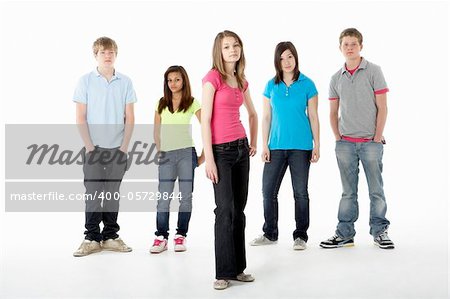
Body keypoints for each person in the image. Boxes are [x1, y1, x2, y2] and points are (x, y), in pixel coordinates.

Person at [320, 28, 394, 249]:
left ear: (361, 46)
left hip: (370, 143)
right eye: (346, 44)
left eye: (354, 44)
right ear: (340, 48)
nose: (350, 48)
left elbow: (383, 107)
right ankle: (345, 234)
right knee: (348, 192)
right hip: (345, 144)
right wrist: (338, 137)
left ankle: (380, 232)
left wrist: (377, 137)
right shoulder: (335, 78)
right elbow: (333, 112)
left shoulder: (374, 71)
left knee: (376, 190)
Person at [249, 41, 320, 250]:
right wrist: (265, 145)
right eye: (282, 58)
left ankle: (300, 236)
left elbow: (314, 116)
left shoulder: (308, 84)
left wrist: (317, 145)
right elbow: (266, 118)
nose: (286, 62)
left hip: (301, 146)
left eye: (290, 56)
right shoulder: (271, 85)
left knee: (300, 192)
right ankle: (270, 233)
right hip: (276, 146)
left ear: (295, 57)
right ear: (276, 61)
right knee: (268, 191)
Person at [201, 30, 258, 290]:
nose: (232, 50)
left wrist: (253, 143)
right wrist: (209, 160)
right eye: (227, 47)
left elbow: (253, 114)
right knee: (224, 210)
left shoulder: (241, 80)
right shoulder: (212, 79)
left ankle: (238, 269)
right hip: (220, 152)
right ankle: (222, 272)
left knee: (239, 211)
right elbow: (205, 121)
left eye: (236, 45)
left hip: (241, 149)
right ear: (219, 51)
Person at [73, 36, 136, 257]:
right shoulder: (85, 81)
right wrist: (90, 147)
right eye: (103, 52)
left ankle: (110, 236)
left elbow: (130, 117)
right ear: (96, 55)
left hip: (118, 149)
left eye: (111, 52)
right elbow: (81, 117)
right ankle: (91, 238)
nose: (107, 56)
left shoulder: (125, 82)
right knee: (93, 194)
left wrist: (124, 148)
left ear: (115, 55)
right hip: (93, 149)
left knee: (112, 194)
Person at [150, 65, 204, 254]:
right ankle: (161, 236)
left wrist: (203, 156)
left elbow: (207, 126)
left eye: (177, 79)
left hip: (186, 154)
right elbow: (156, 131)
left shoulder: (192, 102)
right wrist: (160, 151)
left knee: (185, 197)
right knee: (163, 198)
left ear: (184, 81)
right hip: (167, 155)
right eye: (169, 80)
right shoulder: (161, 103)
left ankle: (181, 235)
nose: (173, 83)